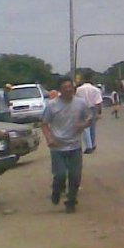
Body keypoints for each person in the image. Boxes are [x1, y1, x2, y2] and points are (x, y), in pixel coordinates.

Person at [41, 77, 92, 213]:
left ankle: (71, 201)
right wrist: (49, 139)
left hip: (74, 145)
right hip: (57, 146)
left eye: (70, 87)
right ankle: (56, 191)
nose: (68, 89)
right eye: (65, 87)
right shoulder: (52, 105)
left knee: (75, 175)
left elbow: (89, 118)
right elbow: (44, 124)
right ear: (60, 90)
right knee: (60, 174)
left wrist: (83, 125)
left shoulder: (81, 103)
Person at [74, 80, 102, 153]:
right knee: (92, 127)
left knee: (85, 128)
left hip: (82, 108)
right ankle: (92, 144)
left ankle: (88, 145)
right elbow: (98, 103)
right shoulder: (96, 90)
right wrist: (98, 113)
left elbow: (75, 100)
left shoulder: (78, 89)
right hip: (92, 108)